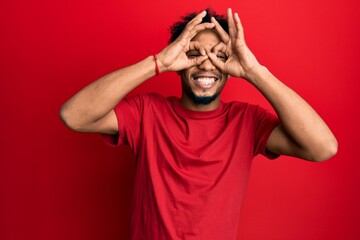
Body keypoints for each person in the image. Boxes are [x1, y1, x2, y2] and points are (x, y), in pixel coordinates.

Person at [60, 8, 338, 240]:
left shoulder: (247, 121)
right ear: (179, 61)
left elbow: (323, 147)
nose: (207, 66)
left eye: (219, 56)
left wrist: (254, 72)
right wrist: (158, 62)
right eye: (194, 55)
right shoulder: (147, 111)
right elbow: (74, 116)